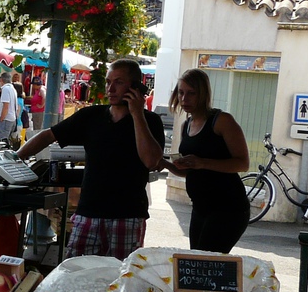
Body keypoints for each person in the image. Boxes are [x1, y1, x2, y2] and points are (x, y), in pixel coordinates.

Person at [16, 59, 165, 260]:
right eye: (108, 81)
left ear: (135, 86)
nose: (110, 88)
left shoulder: (150, 121)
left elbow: (151, 161)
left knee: (120, 277)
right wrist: (14, 160)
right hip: (88, 212)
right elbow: (48, 135)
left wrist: (137, 114)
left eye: (119, 82)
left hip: (128, 215)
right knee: (75, 272)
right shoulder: (91, 116)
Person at [158, 69, 250, 253]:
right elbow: (189, 171)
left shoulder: (222, 120)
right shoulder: (187, 125)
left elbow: (243, 164)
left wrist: (202, 162)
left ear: (204, 94)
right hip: (200, 207)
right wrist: (164, 164)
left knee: (205, 261)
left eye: (191, 93)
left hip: (228, 208)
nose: (184, 99)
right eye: (181, 92)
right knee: (197, 262)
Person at [0, 72, 19, 146]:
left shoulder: (5, 89)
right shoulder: (13, 89)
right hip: (12, 118)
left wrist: (1, 118)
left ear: (1, 80)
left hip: (6, 119)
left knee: (2, 141)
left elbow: (6, 105)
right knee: (7, 140)